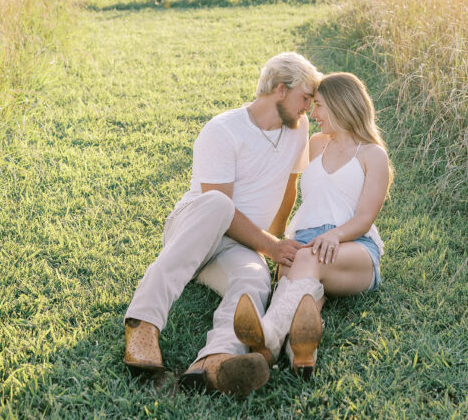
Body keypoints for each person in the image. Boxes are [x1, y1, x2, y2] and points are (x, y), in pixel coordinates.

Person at [123, 51, 322, 397]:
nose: (309, 107)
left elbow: (289, 185)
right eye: (305, 97)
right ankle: (143, 323)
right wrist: (271, 246)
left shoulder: (298, 128)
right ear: (280, 89)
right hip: (196, 229)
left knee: (254, 278)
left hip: (242, 244)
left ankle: (215, 360)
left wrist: (274, 240)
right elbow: (222, 212)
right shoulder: (223, 130)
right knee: (218, 203)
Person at [233, 72, 391, 377]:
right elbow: (286, 182)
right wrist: (275, 238)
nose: (313, 113)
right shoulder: (316, 144)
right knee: (303, 293)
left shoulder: (373, 155)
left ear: (341, 104)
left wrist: (334, 235)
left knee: (305, 260)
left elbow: (364, 218)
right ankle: (300, 353)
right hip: (305, 240)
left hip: (353, 246)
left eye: (318, 106)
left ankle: (267, 335)